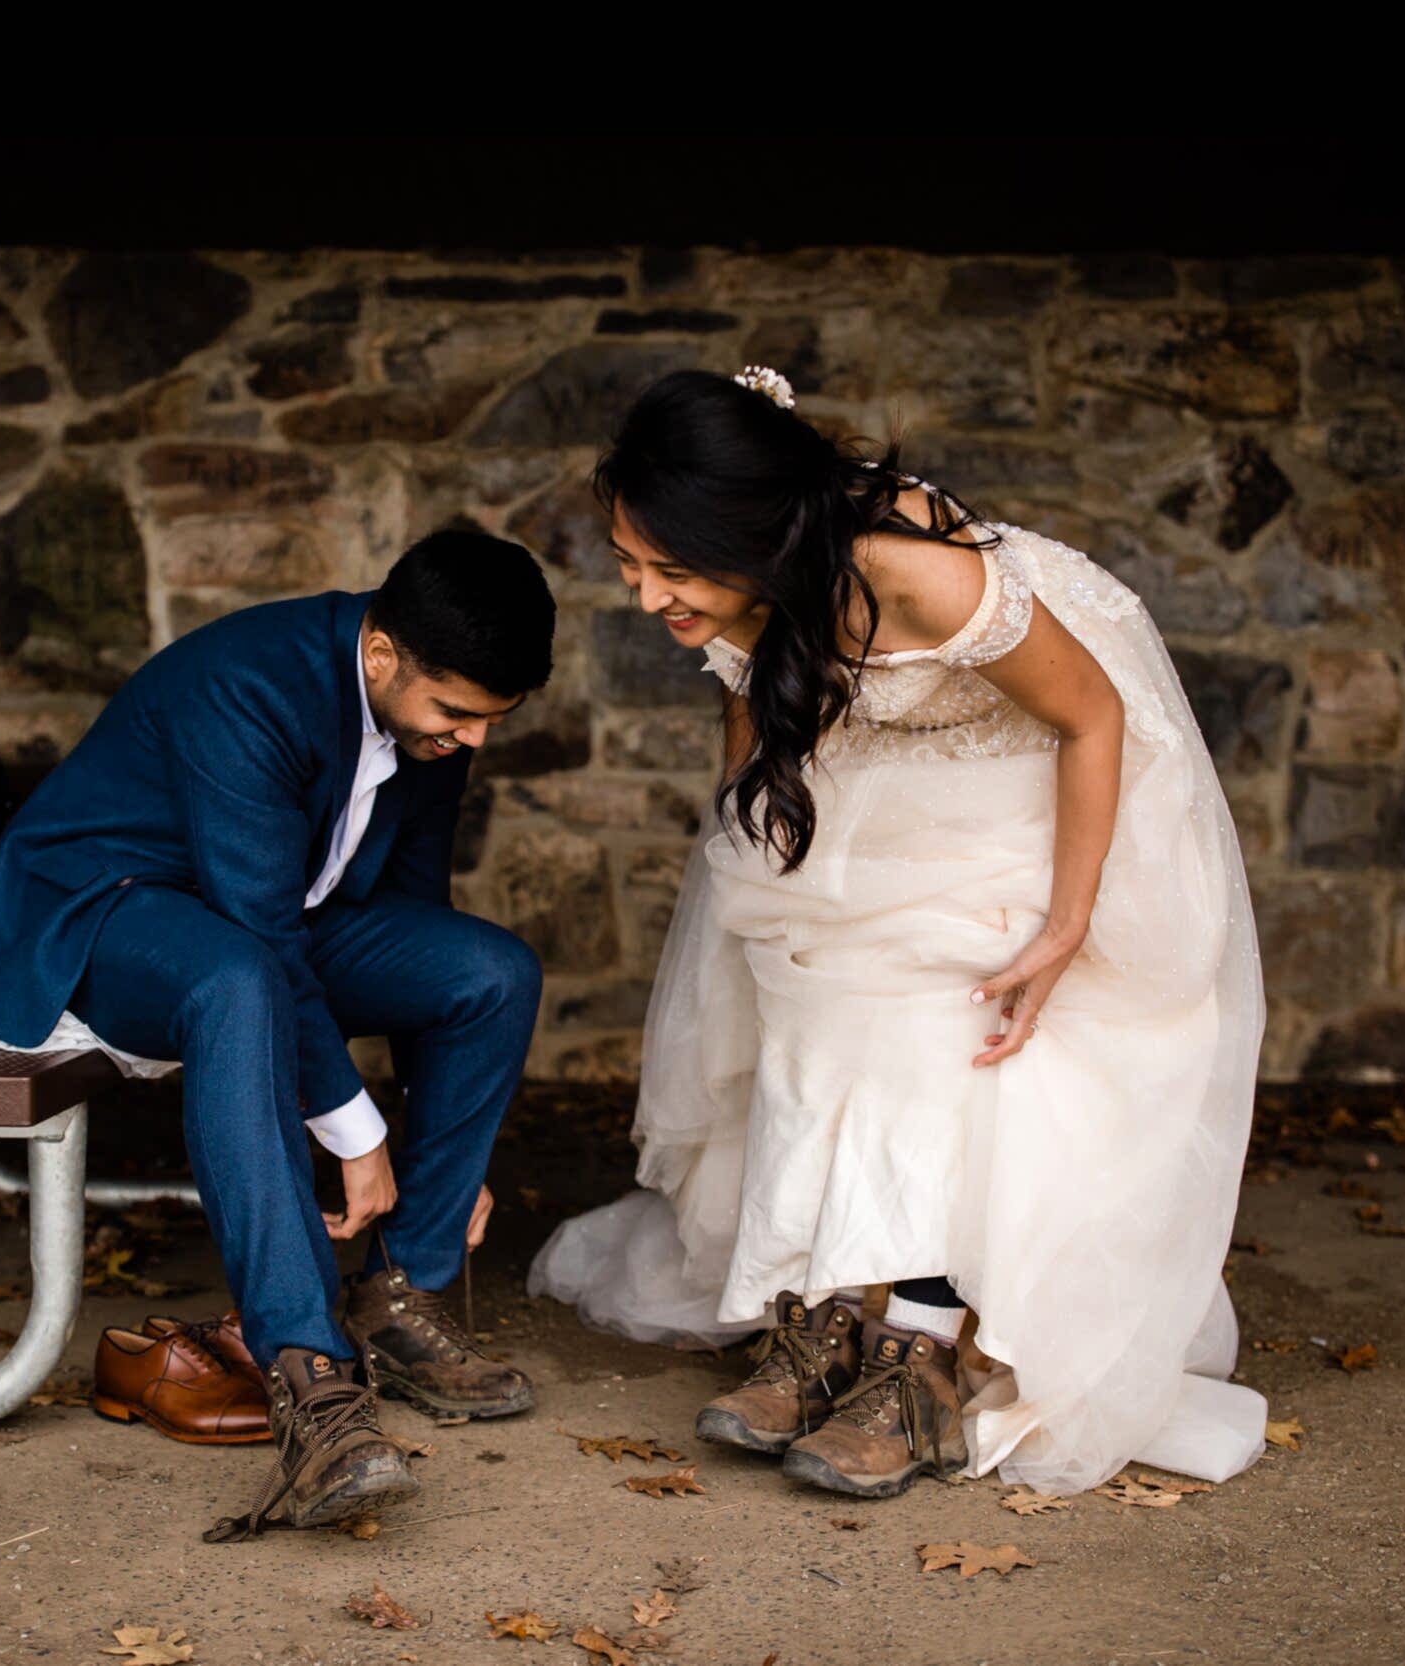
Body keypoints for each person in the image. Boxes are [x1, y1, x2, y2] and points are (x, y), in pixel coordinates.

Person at [529, 366, 1269, 1500]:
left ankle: (916, 1350)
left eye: (668, 570)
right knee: (806, 968)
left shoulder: (919, 578)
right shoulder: (751, 585)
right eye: (631, 567)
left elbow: (1090, 715)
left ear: (757, 535)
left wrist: (1069, 923)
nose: (645, 597)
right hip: (887, 755)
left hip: (1045, 760)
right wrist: (762, 883)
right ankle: (825, 1304)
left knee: (942, 996)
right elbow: (753, 703)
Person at [0, 529, 554, 1540]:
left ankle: (402, 1302)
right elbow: (258, 935)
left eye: (492, 718)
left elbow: (409, 908)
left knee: (487, 970)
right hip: (93, 923)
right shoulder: (250, 681)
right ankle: (312, 1386)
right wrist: (359, 1136)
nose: (475, 739)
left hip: (253, 931)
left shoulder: (433, 720)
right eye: (458, 712)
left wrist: (445, 1133)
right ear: (381, 654)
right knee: (238, 977)